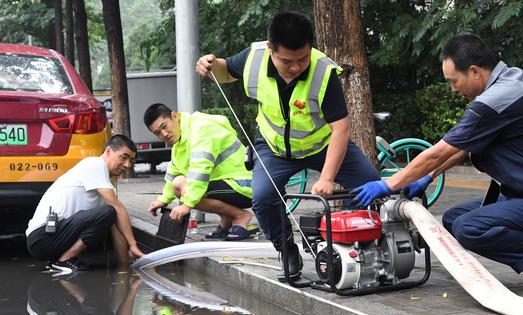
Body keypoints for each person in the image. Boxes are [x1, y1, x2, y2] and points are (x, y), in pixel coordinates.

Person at [354, 33, 523, 294]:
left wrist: (389, 183)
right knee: (454, 219)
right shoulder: (512, 80)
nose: (453, 89)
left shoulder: (495, 101)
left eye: (453, 81)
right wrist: (426, 177)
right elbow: (464, 146)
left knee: (470, 228)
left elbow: (440, 151)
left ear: (474, 72)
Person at [195, 11, 379, 280]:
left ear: (310, 48)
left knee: (371, 183)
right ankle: (286, 248)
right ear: (271, 49)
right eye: (287, 61)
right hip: (274, 149)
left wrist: (327, 178)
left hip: (321, 145)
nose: (296, 67)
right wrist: (209, 64)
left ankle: (362, 243)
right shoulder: (254, 58)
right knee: (262, 197)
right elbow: (224, 71)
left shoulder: (324, 72)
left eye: (302, 58)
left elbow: (340, 129)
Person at [25, 134, 145, 274]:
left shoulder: (105, 184)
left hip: (53, 237)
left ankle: (62, 259)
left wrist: (124, 266)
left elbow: (116, 227)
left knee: (109, 215)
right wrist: (133, 245)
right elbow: (116, 209)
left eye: (131, 160)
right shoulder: (94, 164)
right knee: (108, 212)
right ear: (108, 152)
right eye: (123, 157)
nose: (127, 165)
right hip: (41, 237)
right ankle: (65, 260)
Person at [144, 104, 258, 241]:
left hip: (245, 185)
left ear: (174, 116)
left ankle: (240, 216)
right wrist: (162, 200)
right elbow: (173, 172)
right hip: (228, 184)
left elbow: (200, 169)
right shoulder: (180, 141)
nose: (164, 134)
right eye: (157, 133)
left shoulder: (200, 128)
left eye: (164, 126)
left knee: (182, 186)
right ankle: (227, 220)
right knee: (179, 183)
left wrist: (187, 205)